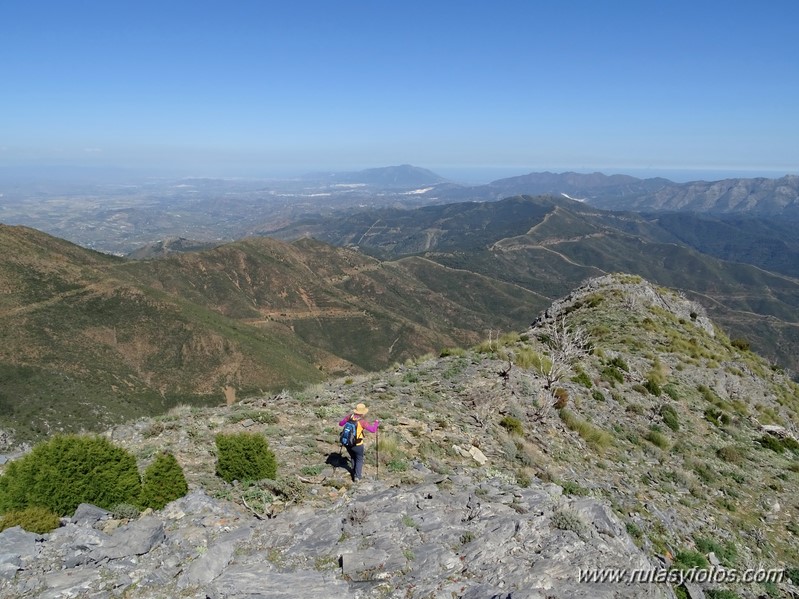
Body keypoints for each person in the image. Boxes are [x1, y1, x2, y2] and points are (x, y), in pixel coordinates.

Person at [339, 403, 379, 482]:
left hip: (347, 443)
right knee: (359, 459)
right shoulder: (362, 422)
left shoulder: (349, 417)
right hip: (358, 444)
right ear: (363, 413)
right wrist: (376, 423)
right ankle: (357, 477)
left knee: (353, 457)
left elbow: (340, 424)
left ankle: (354, 473)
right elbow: (373, 430)